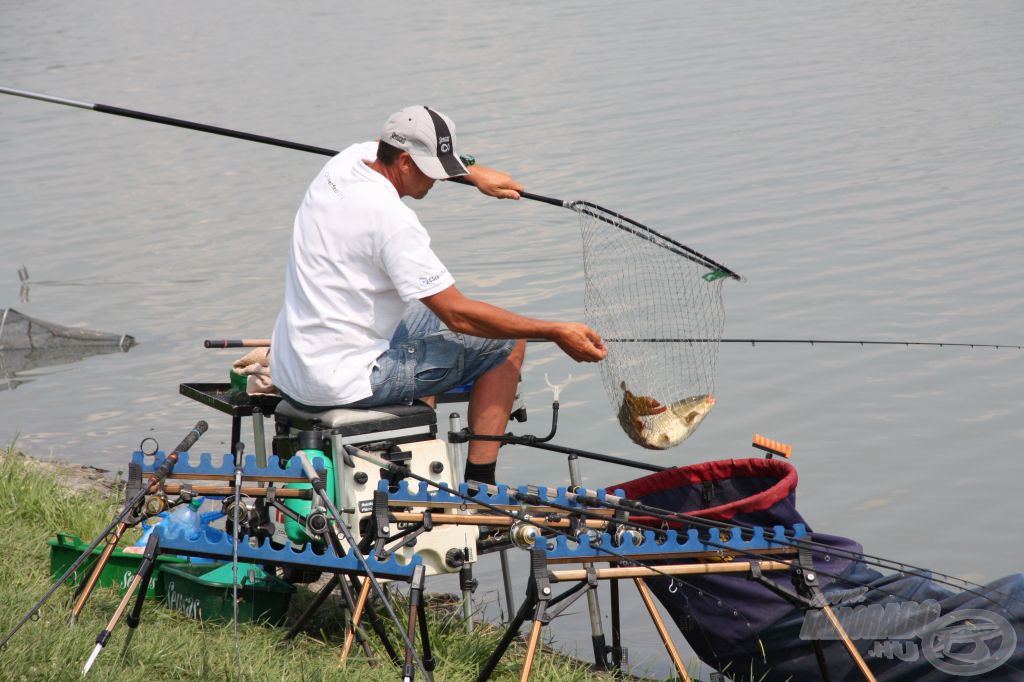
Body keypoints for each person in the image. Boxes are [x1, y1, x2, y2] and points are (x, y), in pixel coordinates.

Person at [270, 106, 606, 485]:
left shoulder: (344, 164)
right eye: (432, 169)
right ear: (404, 162)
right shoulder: (393, 222)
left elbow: (387, 149)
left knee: (420, 308)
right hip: (342, 382)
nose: (438, 179)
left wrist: (475, 174)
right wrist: (553, 331)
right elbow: (457, 315)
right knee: (508, 343)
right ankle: (481, 488)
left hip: (292, 365)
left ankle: (421, 458)